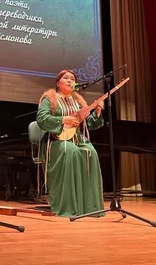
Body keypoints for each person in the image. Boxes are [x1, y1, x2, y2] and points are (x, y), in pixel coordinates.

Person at [36, 69, 105, 217]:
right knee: (70, 151)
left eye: (72, 79)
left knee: (90, 152)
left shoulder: (78, 101)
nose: (70, 80)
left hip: (77, 139)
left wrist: (97, 112)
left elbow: (89, 124)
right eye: (66, 78)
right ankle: (67, 206)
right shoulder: (50, 98)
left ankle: (89, 207)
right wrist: (63, 119)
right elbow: (42, 119)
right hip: (56, 140)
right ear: (57, 83)